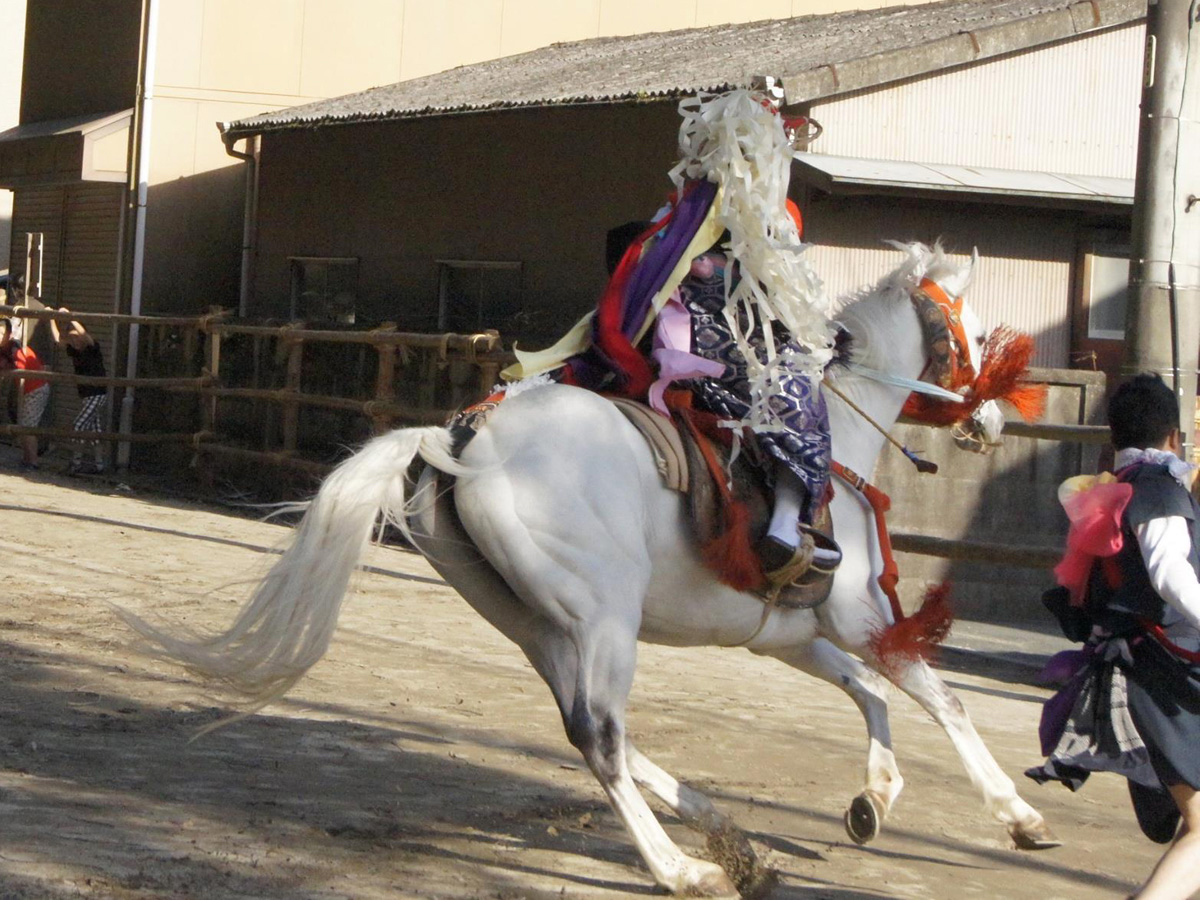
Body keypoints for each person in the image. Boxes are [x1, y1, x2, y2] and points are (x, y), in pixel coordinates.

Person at [1028, 373, 1200, 899]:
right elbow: (1169, 573)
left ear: (1112, 436)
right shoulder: (1156, 490)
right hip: (1158, 676)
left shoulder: (1113, 489)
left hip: (1136, 667)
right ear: (1174, 436)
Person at [50, 307, 108, 474]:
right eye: (72, 338)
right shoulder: (73, 350)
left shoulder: (92, 346)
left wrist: (70, 317)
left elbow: (83, 334)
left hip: (97, 393)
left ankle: (75, 464)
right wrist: (51, 318)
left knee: (78, 426)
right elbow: (58, 340)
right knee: (93, 432)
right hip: (86, 395)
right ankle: (99, 466)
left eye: (76, 337)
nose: (74, 340)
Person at [0, 315, 50, 470]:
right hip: (26, 389)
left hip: (35, 388)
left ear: (9, 334)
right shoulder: (6, 349)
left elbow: (19, 369)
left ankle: (33, 462)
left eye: (1, 333)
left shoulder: (15, 348)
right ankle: (27, 459)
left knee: (28, 427)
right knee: (23, 425)